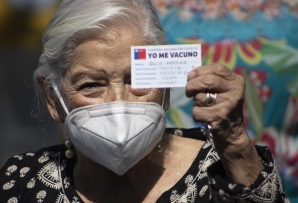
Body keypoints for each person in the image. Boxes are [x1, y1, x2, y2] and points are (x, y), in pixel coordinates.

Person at [0, 0, 289, 202]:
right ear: (53, 97)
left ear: (164, 90)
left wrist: (236, 142)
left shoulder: (221, 173)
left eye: (137, 81)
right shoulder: (22, 182)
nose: (118, 101)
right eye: (91, 85)